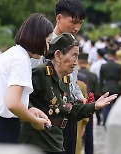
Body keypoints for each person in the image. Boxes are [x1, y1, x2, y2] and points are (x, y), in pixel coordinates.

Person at [19, 32, 117, 154]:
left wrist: (95, 106)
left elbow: (71, 111)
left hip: (57, 140)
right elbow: (21, 100)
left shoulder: (65, 79)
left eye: (77, 56)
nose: (76, 62)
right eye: (74, 55)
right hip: (37, 143)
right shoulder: (40, 74)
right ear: (58, 55)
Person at [0, 13, 53, 143]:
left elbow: (6, 99)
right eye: (48, 42)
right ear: (38, 38)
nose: (47, 48)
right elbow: (13, 103)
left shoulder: (14, 54)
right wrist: (34, 121)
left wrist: (30, 110)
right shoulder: (20, 59)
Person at [31, 1, 87, 153]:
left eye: (80, 23)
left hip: (68, 116)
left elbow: (72, 82)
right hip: (48, 118)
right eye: (73, 22)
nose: (77, 28)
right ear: (59, 18)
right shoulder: (43, 45)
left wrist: (80, 97)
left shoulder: (73, 44)